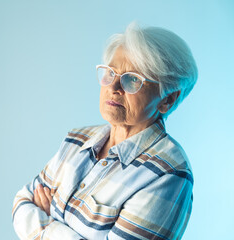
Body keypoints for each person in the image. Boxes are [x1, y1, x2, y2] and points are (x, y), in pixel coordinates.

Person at [12, 22, 198, 240]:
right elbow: (22, 202)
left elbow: (29, 217)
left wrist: (47, 222)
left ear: (167, 99)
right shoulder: (77, 139)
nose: (113, 87)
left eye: (133, 79)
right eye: (110, 73)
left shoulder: (168, 173)